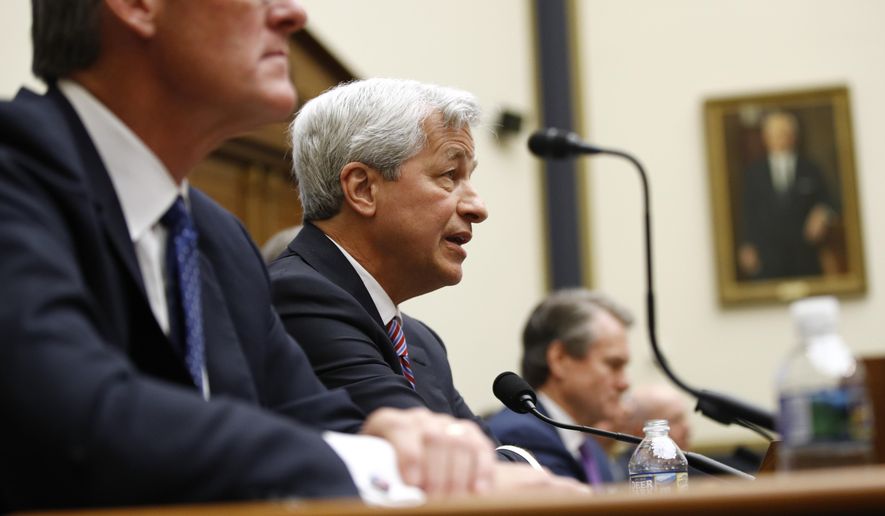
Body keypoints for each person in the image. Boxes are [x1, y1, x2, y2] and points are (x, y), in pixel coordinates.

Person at [0, 1, 561, 510]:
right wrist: (378, 462)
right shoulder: (15, 177)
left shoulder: (216, 237)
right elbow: (74, 414)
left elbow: (313, 413)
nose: (293, 14)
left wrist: (397, 437)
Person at [487, 289, 633, 488]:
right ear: (559, 359)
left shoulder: (588, 446)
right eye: (613, 365)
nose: (624, 383)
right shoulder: (522, 435)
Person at [738, 110, 837, 280]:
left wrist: (822, 213)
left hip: (804, 255)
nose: (780, 139)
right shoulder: (754, 173)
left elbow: (832, 201)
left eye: (784, 133)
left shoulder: (811, 169)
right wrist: (747, 245)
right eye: (775, 134)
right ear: (765, 137)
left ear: (794, 136)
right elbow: (747, 212)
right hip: (767, 257)